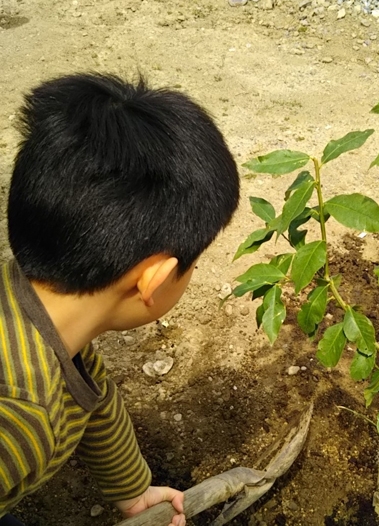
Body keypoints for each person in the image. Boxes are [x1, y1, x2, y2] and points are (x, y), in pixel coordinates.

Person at [0, 73, 240, 526]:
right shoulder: (20, 420)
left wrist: (132, 490)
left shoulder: (38, 314)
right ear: (154, 280)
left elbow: (93, 399)